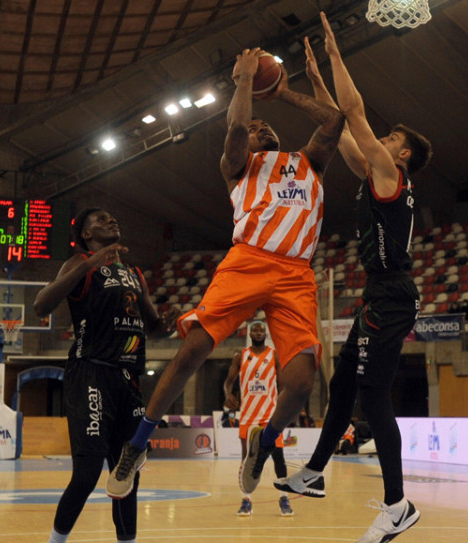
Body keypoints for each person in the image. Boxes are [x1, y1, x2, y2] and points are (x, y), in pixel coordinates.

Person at [106, 47, 345, 499]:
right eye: (255, 127)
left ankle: (264, 442)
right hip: (249, 259)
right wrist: (244, 83)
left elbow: (334, 122)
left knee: (301, 382)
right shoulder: (237, 166)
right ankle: (136, 445)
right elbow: (236, 126)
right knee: (194, 348)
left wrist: (283, 91)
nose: (259, 127)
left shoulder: (308, 161)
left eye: (263, 124)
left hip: (296, 273)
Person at [274, 14, 432, 543]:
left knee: (373, 396)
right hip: (377, 295)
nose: (380, 140)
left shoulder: (391, 174)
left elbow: (357, 113)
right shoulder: (372, 174)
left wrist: (338, 53)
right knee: (342, 382)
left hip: (392, 295)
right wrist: (316, 79)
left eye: (390, 138)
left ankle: (397, 505)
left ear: (402, 154)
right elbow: (344, 126)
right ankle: (316, 472)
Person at [32, 208, 178, 543]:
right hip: (91, 372)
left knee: (127, 476)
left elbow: (153, 327)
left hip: (128, 377)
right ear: (85, 234)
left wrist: (167, 325)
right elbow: (41, 305)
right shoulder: (78, 262)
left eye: (113, 217)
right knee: (86, 472)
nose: (111, 220)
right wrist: (88, 263)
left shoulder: (133, 272)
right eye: (100, 219)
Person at [222, 322, 294, 516]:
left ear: (266, 334)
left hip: (270, 416)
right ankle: (246, 500)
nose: (258, 332)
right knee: (246, 459)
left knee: (279, 457)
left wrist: (281, 406)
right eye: (255, 330)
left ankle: (284, 498)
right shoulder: (240, 356)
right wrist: (228, 394)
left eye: (262, 330)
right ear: (249, 333)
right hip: (247, 415)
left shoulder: (274, 355)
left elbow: (282, 386)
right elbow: (228, 383)